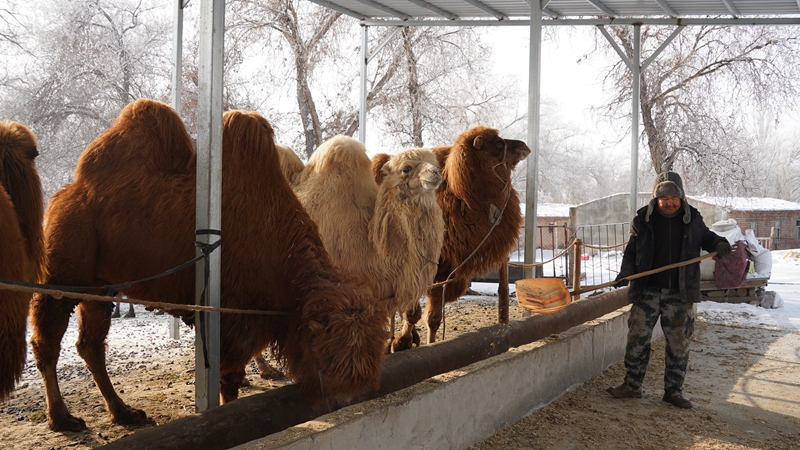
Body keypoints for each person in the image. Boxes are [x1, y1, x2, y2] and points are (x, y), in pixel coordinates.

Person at [607, 171, 732, 409]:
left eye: (674, 197)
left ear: (681, 197)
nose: (669, 202)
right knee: (637, 340)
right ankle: (632, 385)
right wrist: (626, 273)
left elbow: (706, 237)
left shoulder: (692, 218)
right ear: (656, 198)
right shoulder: (643, 219)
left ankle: (673, 391)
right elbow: (632, 251)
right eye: (663, 197)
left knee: (678, 342)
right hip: (647, 291)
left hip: (680, 293)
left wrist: (718, 243)